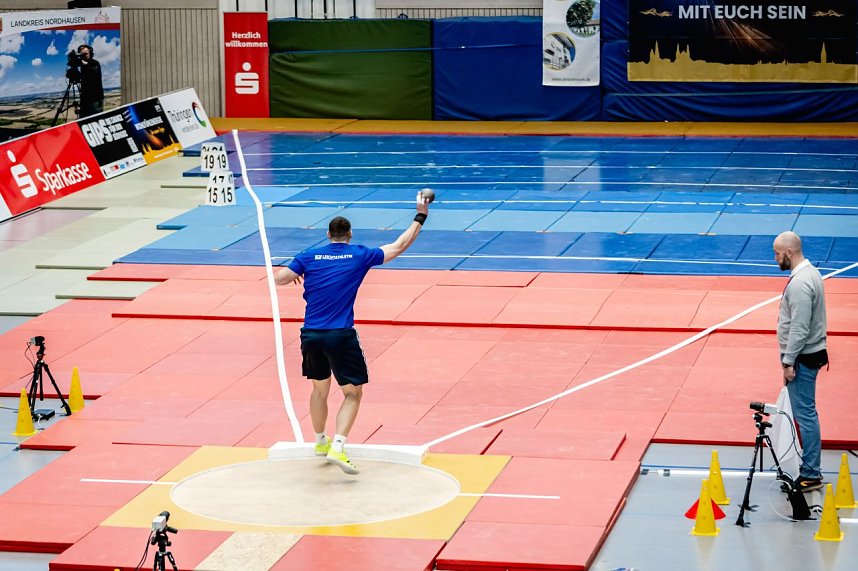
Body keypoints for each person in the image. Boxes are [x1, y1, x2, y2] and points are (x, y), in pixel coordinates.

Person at [275, 193, 430, 475]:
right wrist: (421, 216)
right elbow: (400, 245)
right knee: (352, 393)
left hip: (310, 334)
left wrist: (293, 269)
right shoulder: (359, 254)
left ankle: (320, 441)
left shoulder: (308, 256)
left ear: (328, 235)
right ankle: (338, 446)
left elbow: (279, 279)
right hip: (340, 335)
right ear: (349, 235)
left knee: (319, 389)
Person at [773, 231, 828, 492]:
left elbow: (799, 328)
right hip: (808, 356)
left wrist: (788, 361)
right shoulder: (810, 274)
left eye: (777, 253)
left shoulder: (799, 284)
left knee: (805, 415)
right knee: (806, 413)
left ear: (789, 252)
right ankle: (810, 469)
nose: (775, 259)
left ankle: (811, 473)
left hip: (802, 359)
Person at [76, 44, 104, 118]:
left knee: (96, 119)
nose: (84, 56)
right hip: (86, 100)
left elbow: (95, 73)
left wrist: (85, 64)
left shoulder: (95, 63)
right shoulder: (82, 66)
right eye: (82, 54)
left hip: (95, 99)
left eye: (86, 54)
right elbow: (85, 82)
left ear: (90, 53)